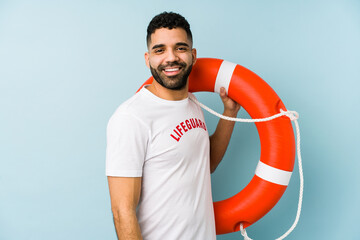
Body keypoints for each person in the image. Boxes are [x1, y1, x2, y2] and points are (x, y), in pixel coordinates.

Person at [106, 12, 240, 240]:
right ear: (148, 59)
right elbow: (122, 210)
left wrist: (229, 113)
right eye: (160, 50)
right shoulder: (131, 117)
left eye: (180, 48)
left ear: (192, 55)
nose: (171, 58)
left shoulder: (193, 103)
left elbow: (204, 164)